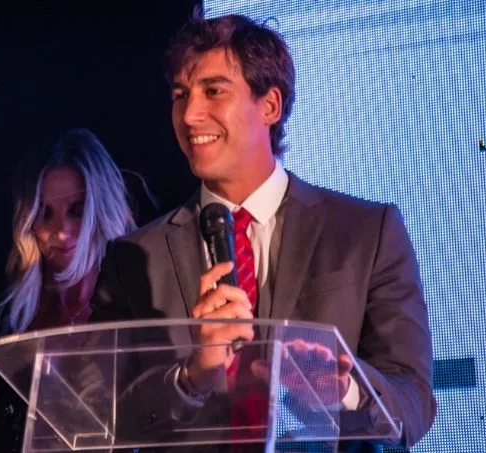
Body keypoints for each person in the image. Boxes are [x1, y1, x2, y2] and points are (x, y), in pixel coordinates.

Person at [89, 10, 436, 452]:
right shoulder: (133, 259)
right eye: (180, 95)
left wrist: (344, 389)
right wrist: (190, 378)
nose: (190, 115)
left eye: (213, 91)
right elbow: (96, 415)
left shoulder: (366, 232)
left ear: (269, 105)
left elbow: (413, 403)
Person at [0, 128, 138, 453]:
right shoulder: (5, 317)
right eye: (45, 214)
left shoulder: (138, 308)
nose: (61, 232)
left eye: (76, 210)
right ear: (28, 221)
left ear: (101, 209)